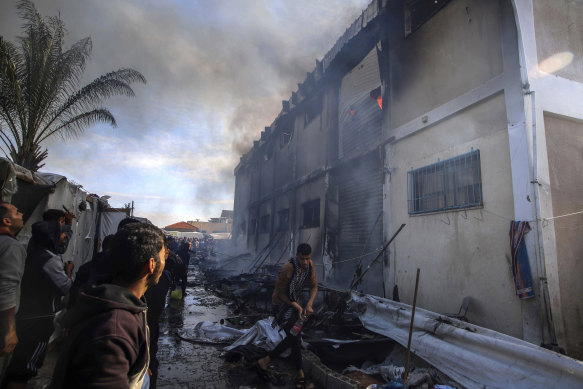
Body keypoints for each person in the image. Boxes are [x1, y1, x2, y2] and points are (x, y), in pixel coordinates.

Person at [51, 222, 166, 388]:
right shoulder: (114, 330)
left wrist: (138, 365)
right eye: (163, 256)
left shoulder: (118, 302)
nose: (165, 261)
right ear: (151, 265)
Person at [2, 220, 74, 388]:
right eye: (61, 233)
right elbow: (64, 287)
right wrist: (69, 272)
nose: (63, 236)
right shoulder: (49, 259)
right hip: (39, 318)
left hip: (25, 314)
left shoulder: (32, 252)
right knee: (25, 367)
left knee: (18, 362)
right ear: (52, 237)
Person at [256, 243, 318, 389]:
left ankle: (269, 362)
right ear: (297, 255)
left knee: (294, 335)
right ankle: (296, 371)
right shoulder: (287, 268)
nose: (305, 262)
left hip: (295, 303)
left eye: (307, 258)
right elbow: (279, 294)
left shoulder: (310, 265)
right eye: (302, 259)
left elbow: (314, 286)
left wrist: (309, 304)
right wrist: (295, 305)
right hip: (281, 305)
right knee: (293, 336)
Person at [0, 204, 25, 383]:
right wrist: (9, 328)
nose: (21, 214)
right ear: (7, 221)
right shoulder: (10, 246)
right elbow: (7, 285)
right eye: (17, 212)